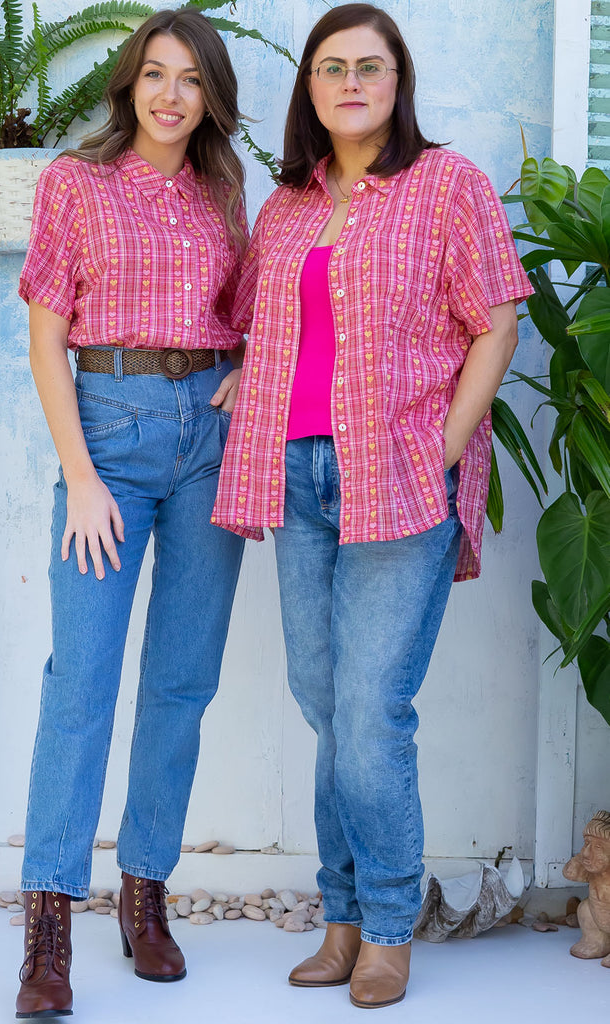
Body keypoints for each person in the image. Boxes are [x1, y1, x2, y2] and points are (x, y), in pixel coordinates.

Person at [212, 2, 532, 1010]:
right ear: (310, 89)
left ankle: (387, 923)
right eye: (331, 67)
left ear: (399, 84)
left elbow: (499, 320)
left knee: (370, 711)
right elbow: (258, 318)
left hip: (397, 476)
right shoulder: (289, 207)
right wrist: (235, 377)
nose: (351, 82)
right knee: (327, 708)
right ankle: (340, 917)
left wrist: (441, 444)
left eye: (372, 66)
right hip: (298, 475)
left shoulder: (449, 186)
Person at [15, 10, 247, 1018]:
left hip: (211, 442)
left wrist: (244, 382)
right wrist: (81, 472)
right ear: (130, 84)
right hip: (107, 432)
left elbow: (261, 311)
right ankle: (50, 918)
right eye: (154, 74)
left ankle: (145, 894)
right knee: (83, 680)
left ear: (209, 97)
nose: (169, 94)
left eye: (190, 79)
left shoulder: (229, 192)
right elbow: (45, 334)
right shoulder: (77, 181)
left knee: (183, 681)